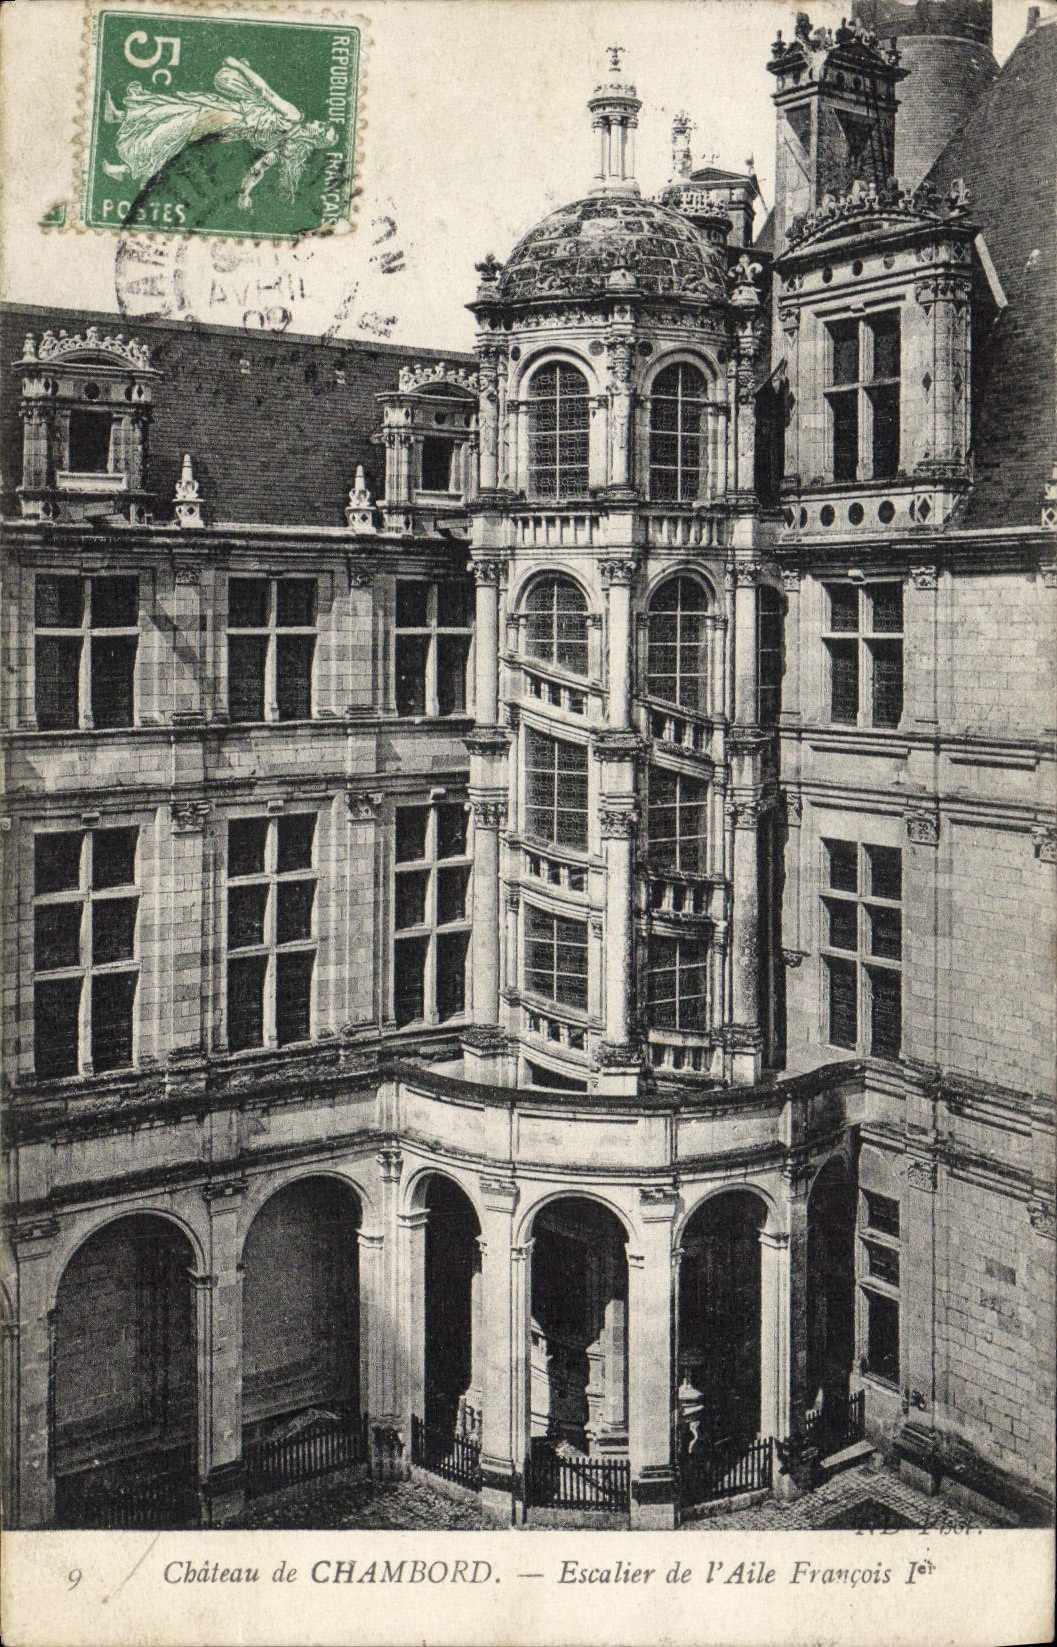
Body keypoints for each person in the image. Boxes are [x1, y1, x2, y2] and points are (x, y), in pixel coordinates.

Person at [103, 57, 337, 209]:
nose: (322, 124)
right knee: (175, 131)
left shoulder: (294, 116)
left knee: (177, 117)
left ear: (316, 138)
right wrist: (244, 194)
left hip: (229, 116)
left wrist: (239, 67)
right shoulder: (289, 148)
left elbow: (265, 91)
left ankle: (123, 137)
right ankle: (124, 159)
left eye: (324, 129)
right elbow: (260, 168)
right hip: (228, 126)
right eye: (326, 125)